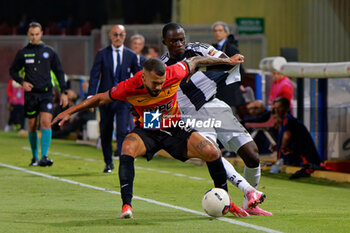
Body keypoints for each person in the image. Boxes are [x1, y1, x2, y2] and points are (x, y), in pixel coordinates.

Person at [52, 56, 265, 219]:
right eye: (154, 83)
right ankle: (127, 205)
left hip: (174, 126)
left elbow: (196, 61)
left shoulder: (174, 72)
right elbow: (99, 98)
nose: (159, 87)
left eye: (162, 83)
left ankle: (227, 201)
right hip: (148, 128)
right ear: (143, 77)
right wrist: (69, 111)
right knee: (127, 147)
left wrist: (225, 61)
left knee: (211, 151)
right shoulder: (129, 86)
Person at [160, 22, 272, 216]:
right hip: (191, 115)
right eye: (173, 41)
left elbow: (223, 61)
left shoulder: (197, 49)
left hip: (215, 107)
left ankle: (248, 202)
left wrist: (199, 65)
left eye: (181, 39)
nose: (179, 44)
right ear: (165, 42)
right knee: (213, 153)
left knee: (252, 154)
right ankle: (249, 191)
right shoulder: (161, 66)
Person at [9, 22, 68, 167]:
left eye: (37, 34)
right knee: (32, 125)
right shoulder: (23, 52)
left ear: (41, 33)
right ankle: (34, 157)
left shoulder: (49, 52)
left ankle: (44, 156)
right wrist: (22, 82)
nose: (35, 37)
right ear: (28, 35)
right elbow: (13, 71)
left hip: (46, 93)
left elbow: (59, 71)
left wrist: (64, 91)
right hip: (30, 95)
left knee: (46, 122)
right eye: (32, 34)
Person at [87, 25, 141, 173]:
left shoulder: (131, 55)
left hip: (123, 98)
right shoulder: (102, 53)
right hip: (105, 97)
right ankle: (108, 162)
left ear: (125, 37)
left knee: (123, 130)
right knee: (105, 130)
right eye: (115, 35)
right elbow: (94, 75)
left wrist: (141, 95)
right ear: (110, 36)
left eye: (121, 35)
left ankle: (123, 161)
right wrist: (91, 96)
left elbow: (139, 76)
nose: (118, 38)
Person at [270, 97, 321, 179]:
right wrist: (278, 147)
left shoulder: (288, 119)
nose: (277, 110)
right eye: (275, 108)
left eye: (279, 107)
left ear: (286, 108)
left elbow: (287, 135)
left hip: (307, 163)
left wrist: (283, 148)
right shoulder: (287, 121)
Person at [211, 21, 246, 117]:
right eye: (215, 31)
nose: (217, 33)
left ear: (226, 32)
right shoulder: (214, 48)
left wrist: (239, 83)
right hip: (220, 87)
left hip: (229, 88)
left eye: (220, 30)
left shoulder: (230, 47)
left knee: (230, 117)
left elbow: (240, 67)